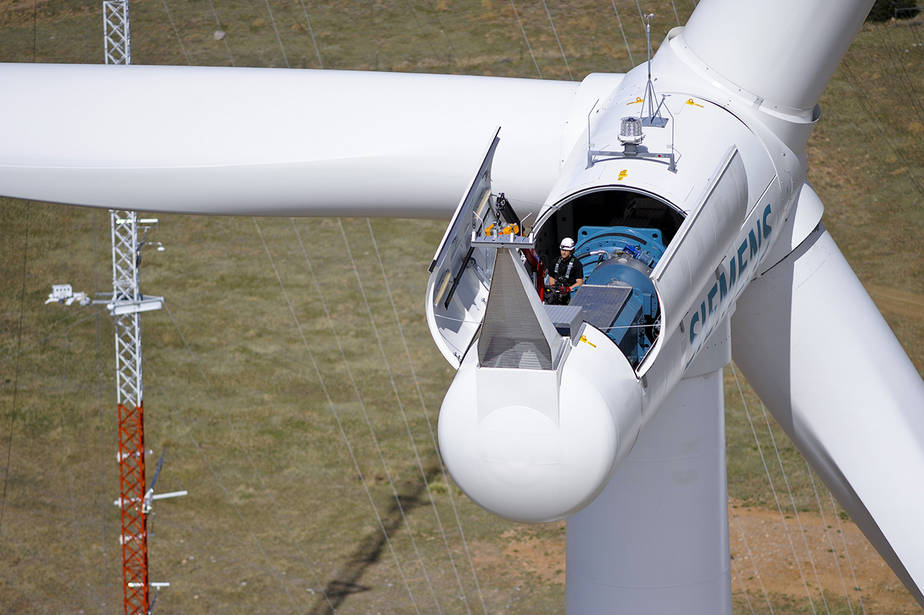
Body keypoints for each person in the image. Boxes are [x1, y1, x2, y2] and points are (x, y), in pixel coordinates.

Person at [546, 237, 583, 304]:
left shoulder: (577, 264)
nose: (564, 252)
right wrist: (554, 289)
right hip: (556, 292)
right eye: (562, 250)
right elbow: (551, 277)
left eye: (566, 250)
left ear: (572, 251)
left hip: (570, 292)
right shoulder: (555, 262)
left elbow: (579, 282)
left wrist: (568, 289)